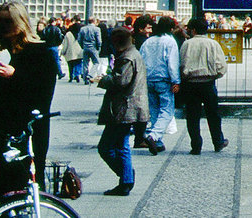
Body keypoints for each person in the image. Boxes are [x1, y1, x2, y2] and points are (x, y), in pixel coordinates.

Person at [0, 1, 57, 183]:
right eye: (0, 22)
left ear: (21, 22)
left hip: (28, 127)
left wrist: (15, 75)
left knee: (27, 182)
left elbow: (44, 94)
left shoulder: (40, 51)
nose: (3, 27)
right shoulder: (0, 49)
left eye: (8, 22)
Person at [97, 27, 148, 196]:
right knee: (121, 144)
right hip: (130, 106)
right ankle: (126, 179)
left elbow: (120, 81)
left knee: (107, 147)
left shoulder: (127, 58)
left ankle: (126, 178)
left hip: (124, 108)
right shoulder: (134, 53)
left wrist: (103, 79)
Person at [179, 16, 228, 155]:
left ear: (193, 30)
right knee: (213, 114)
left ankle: (196, 145)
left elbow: (181, 64)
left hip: (191, 84)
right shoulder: (213, 44)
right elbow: (221, 66)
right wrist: (215, 74)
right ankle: (218, 142)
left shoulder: (187, 44)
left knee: (192, 116)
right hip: (208, 83)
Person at [139, 16, 180, 155]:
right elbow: (172, 63)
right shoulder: (170, 41)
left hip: (148, 79)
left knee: (154, 110)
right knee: (167, 111)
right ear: (170, 28)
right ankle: (154, 136)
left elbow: (141, 60)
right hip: (164, 79)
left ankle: (158, 142)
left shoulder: (148, 42)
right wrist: (176, 81)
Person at [77, 17, 102, 84]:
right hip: (93, 47)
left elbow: (79, 39)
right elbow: (99, 40)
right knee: (96, 63)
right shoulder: (97, 29)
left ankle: (85, 79)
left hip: (85, 47)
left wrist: (82, 46)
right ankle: (90, 74)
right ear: (94, 21)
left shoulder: (83, 29)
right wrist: (99, 47)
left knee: (85, 63)